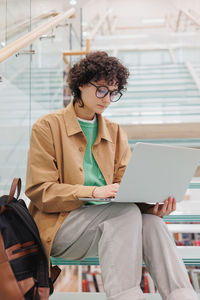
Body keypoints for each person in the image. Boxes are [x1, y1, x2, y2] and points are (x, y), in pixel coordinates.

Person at [25, 51, 198, 300]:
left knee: (153, 223)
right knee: (125, 213)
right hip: (62, 226)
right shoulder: (48, 127)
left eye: (113, 92)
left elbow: (126, 185)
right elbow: (41, 190)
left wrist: (150, 206)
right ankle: (125, 295)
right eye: (101, 90)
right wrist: (93, 192)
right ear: (80, 85)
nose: (107, 99)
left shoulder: (115, 133)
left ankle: (182, 294)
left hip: (112, 226)